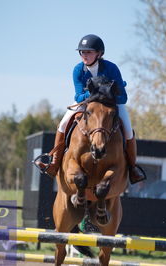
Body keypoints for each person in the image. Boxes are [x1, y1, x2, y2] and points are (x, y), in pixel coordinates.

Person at [35, 34, 145, 184]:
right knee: (62, 124)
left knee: (127, 129)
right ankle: (54, 164)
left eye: (88, 52)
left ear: (99, 54)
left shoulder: (111, 68)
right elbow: (79, 96)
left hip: (110, 104)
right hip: (86, 103)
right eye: (82, 52)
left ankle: (133, 168)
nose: (84, 55)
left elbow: (123, 98)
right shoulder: (78, 70)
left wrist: (108, 94)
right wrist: (98, 91)